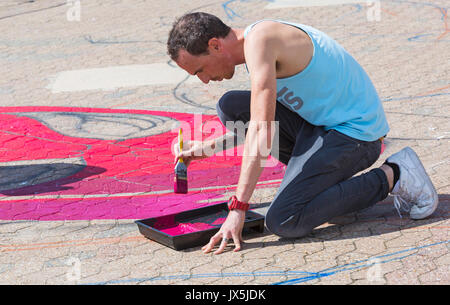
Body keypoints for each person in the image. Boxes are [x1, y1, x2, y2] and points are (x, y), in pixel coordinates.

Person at [167, 12, 439, 255]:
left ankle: (396, 174)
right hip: (320, 127)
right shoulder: (256, 41)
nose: (203, 80)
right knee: (230, 106)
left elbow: (262, 129)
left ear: (215, 45)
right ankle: (319, 185)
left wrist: (238, 208)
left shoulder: (261, 42)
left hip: (357, 136)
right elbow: (264, 120)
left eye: (199, 70)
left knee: (284, 219)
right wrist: (206, 149)